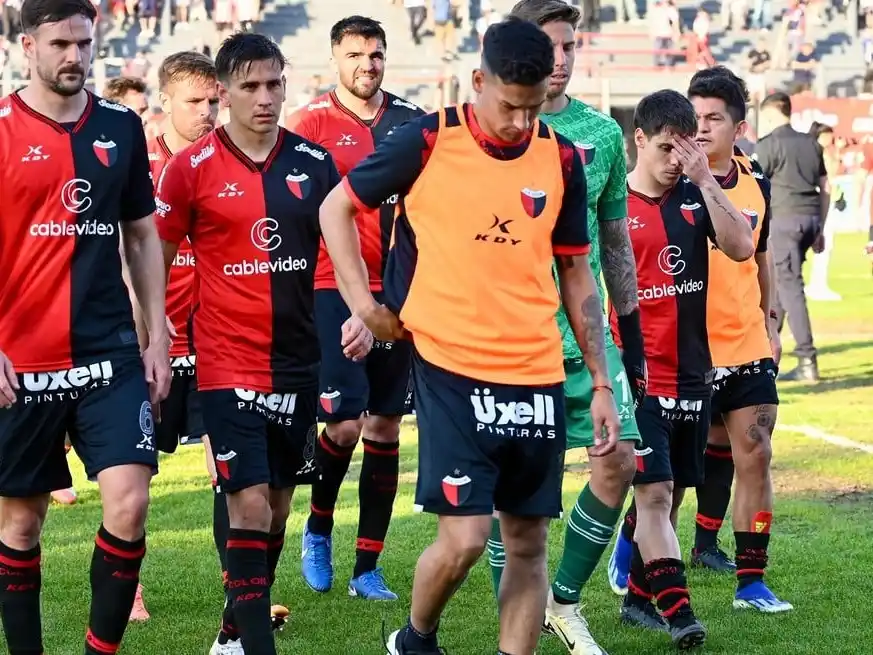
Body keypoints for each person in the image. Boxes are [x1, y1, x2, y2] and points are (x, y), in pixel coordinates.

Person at [320, 18, 621, 655]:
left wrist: (600, 381)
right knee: (464, 539)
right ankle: (417, 636)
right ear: (479, 81)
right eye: (509, 106)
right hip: (449, 365)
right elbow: (336, 207)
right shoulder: (428, 139)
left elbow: (576, 272)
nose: (520, 122)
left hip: (536, 369)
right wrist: (364, 307)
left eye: (533, 107)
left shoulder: (562, 157)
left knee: (528, 542)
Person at [154, 32, 371, 655]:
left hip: (297, 361)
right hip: (225, 362)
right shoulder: (190, 168)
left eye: (274, 84)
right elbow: (154, 255)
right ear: (224, 92)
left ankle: (233, 628)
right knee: (246, 506)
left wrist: (361, 312)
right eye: (250, 86)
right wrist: (151, 325)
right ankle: (255, 646)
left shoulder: (314, 163)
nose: (265, 97)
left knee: (275, 508)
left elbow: (344, 248)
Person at [0, 0, 172, 653]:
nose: (75, 56)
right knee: (21, 523)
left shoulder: (121, 126)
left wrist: (156, 334)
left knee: (129, 503)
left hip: (109, 351)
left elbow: (141, 235)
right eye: (60, 44)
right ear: (28, 47)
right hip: (22, 358)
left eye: (84, 42)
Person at [486, 3, 647, 654]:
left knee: (620, 461)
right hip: (506, 338)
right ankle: (516, 621)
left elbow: (615, 244)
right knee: (517, 492)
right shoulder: (486, 131)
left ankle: (563, 600)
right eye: (549, 45)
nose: (561, 59)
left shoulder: (601, 134)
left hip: (584, 336)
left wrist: (631, 337)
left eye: (570, 46)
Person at [609, 89, 755, 649]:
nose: (677, 161)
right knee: (656, 492)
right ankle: (680, 613)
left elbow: (741, 248)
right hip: (638, 376)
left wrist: (707, 180)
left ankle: (637, 602)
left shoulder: (696, 195)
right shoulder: (612, 204)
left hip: (695, 372)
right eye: (667, 149)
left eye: (686, 149)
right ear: (640, 140)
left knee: (669, 498)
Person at [286, 15, 423, 601]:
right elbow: (301, 218)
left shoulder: (413, 123)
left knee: (385, 426)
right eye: (355, 55)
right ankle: (318, 529)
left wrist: (387, 301)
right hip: (330, 287)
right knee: (343, 425)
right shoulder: (310, 124)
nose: (367, 65)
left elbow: (425, 217)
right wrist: (355, 304)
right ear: (334, 60)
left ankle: (367, 566)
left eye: (376, 54)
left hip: (398, 291)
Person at [127, 49, 221, 625]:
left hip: (214, 344)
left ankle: (240, 591)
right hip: (150, 341)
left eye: (214, 100)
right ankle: (129, 589)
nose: (208, 111)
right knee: (135, 480)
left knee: (229, 472)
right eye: (195, 101)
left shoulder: (226, 161)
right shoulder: (136, 164)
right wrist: (145, 326)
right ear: (165, 102)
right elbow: (125, 255)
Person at [755, 91, 828, 381]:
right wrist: (820, 227)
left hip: (784, 221)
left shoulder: (768, 145)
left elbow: (756, 188)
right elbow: (826, 187)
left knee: (790, 287)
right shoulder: (811, 143)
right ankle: (765, 354)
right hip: (810, 219)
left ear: (770, 114)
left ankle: (807, 360)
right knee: (781, 289)